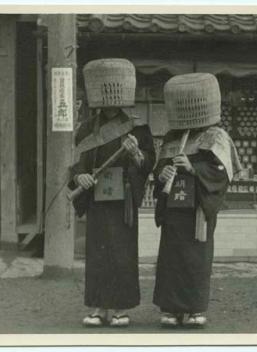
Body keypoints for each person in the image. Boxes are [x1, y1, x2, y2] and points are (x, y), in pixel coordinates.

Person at [68, 58, 155, 327]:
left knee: (122, 253)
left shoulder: (137, 128)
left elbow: (148, 163)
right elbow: (76, 165)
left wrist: (136, 152)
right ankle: (97, 307)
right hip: (97, 199)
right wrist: (78, 176)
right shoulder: (86, 129)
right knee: (96, 253)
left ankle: (119, 308)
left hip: (123, 200)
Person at [152, 73, 241, 328]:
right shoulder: (171, 137)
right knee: (171, 258)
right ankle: (170, 308)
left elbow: (221, 173)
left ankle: (194, 309)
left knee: (196, 259)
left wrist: (193, 168)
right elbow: (158, 169)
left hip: (198, 209)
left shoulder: (215, 136)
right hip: (174, 209)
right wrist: (163, 173)